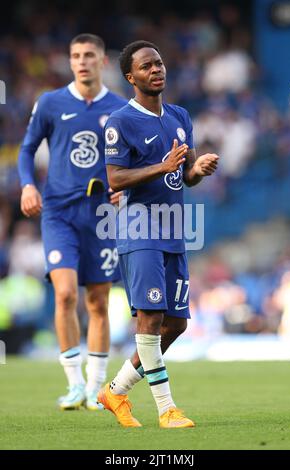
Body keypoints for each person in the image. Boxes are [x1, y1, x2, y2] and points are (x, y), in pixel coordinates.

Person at [97, 40, 219, 428]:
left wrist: (197, 168)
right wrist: (160, 165)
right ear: (131, 77)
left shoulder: (180, 115)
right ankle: (167, 409)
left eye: (160, 63)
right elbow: (115, 177)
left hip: (173, 229)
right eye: (147, 66)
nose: (157, 70)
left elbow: (184, 176)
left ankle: (114, 391)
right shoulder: (120, 121)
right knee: (149, 318)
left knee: (176, 323)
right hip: (138, 227)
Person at [18, 34, 126, 410]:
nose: (82, 62)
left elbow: (131, 161)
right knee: (64, 293)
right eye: (76, 56)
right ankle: (74, 384)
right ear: (70, 61)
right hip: (59, 211)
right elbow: (28, 147)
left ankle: (98, 388)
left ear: (103, 62)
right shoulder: (50, 102)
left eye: (89, 56)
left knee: (97, 301)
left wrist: (124, 190)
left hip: (101, 216)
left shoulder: (120, 108)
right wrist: (28, 184)